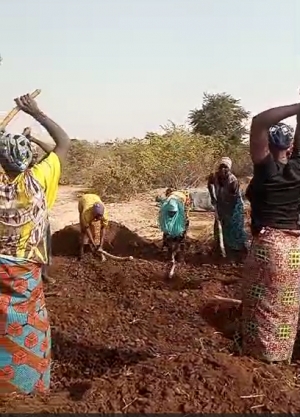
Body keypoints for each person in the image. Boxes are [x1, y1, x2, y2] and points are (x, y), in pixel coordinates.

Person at [0, 94, 70, 394]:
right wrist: (36, 112)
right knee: (30, 331)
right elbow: (64, 142)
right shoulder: (39, 180)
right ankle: (27, 389)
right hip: (25, 278)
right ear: (28, 160)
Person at [239, 103, 300, 363]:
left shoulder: (266, 171)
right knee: (286, 308)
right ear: (290, 146)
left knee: (260, 307)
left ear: (268, 146)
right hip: (295, 250)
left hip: (270, 248)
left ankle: (258, 361)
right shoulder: (298, 169)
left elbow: (259, 121)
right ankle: (281, 356)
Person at [24, 127, 56, 284]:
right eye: (32, 154)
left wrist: (31, 140)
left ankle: (42, 274)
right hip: (28, 218)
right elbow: (55, 151)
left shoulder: (39, 171)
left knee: (43, 246)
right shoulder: (40, 171)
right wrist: (33, 139)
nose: (35, 156)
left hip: (39, 217)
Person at [207, 157, 246, 256]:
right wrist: (213, 197)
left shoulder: (233, 181)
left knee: (233, 226)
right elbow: (209, 184)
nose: (223, 170)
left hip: (234, 206)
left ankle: (236, 250)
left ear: (229, 169)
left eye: (226, 167)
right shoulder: (214, 176)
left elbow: (234, 198)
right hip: (220, 203)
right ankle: (219, 247)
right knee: (219, 226)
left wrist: (226, 211)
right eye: (221, 167)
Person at [159, 188, 190, 259]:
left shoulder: (180, 196)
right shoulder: (179, 196)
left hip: (176, 210)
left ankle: (174, 250)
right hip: (175, 210)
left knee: (175, 232)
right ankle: (173, 249)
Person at [78, 193, 109, 259]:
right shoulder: (86, 213)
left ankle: (92, 246)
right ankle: (81, 250)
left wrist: (101, 245)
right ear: (93, 213)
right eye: (96, 217)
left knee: (94, 227)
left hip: (95, 197)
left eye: (100, 217)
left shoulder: (105, 215)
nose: (98, 219)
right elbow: (86, 228)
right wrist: (93, 243)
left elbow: (103, 228)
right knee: (83, 229)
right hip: (83, 200)